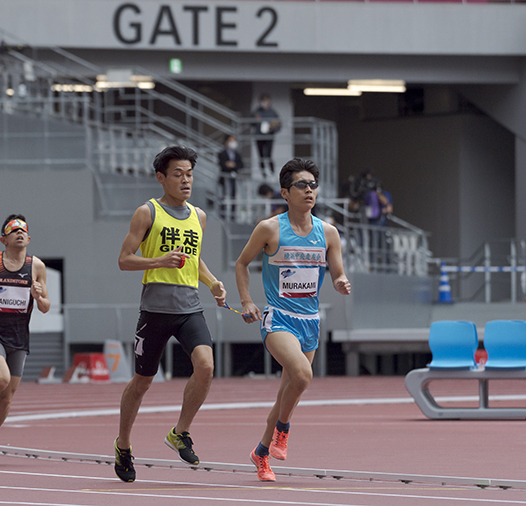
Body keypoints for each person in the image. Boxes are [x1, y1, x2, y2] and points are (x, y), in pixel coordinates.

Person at [114, 145, 227, 483]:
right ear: (161, 178)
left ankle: (180, 431)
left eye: (189, 174)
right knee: (142, 382)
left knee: (205, 366)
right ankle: (123, 444)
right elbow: (124, 259)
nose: (185, 180)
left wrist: (212, 282)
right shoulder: (146, 213)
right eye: (178, 174)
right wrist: (157, 261)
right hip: (155, 311)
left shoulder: (199, 216)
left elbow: (193, 260)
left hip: (189, 308)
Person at [235, 158, 351, 482]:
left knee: (286, 391)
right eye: (302, 185)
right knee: (302, 375)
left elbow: (337, 270)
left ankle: (260, 453)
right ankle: (283, 430)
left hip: (310, 321)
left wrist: (340, 281)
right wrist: (246, 300)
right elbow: (242, 263)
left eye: (313, 184)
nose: (309, 190)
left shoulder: (328, 232)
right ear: (285, 192)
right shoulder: (270, 228)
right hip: (279, 318)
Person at [0, 214, 51, 465]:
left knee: (7, 398)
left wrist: (38, 295)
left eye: (23, 229)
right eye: (13, 230)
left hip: (19, 337)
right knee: (0, 379)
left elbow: (46, 306)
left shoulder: (37, 267)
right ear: (3, 239)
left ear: (29, 238)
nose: (19, 232)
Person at [252, 93, 281, 178]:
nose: (264, 102)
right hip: (259, 137)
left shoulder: (273, 112)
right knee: (261, 156)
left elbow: (279, 125)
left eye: (266, 100)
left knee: (269, 155)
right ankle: (263, 173)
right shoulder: (257, 111)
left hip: (269, 137)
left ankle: (272, 172)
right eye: (262, 101)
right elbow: (251, 123)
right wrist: (255, 120)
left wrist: (273, 127)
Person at [217, 134, 244, 221]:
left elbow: (241, 165)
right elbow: (222, 164)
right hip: (224, 178)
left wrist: (233, 165)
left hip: (234, 178)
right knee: (224, 196)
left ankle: (233, 216)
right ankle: (223, 215)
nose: (233, 142)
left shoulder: (237, 154)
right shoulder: (222, 153)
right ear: (226, 142)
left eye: (234, 140)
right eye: (231, 140)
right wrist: (228, 165)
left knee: (233, 196)